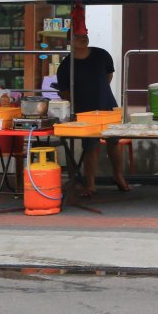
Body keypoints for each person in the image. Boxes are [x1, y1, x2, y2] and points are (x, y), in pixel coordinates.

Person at [56, 32, 130, 196]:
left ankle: (118, 175)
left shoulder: (102, 55)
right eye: (78, 36)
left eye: (85, 34)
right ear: (70, 41)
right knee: (90, 146)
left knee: (114, 141)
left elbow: (108, 76)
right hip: (85, 110)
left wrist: (99, 93)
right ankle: (90, 185)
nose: (84, 38)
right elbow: (65, 92)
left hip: (107, 104)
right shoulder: (66, 65)